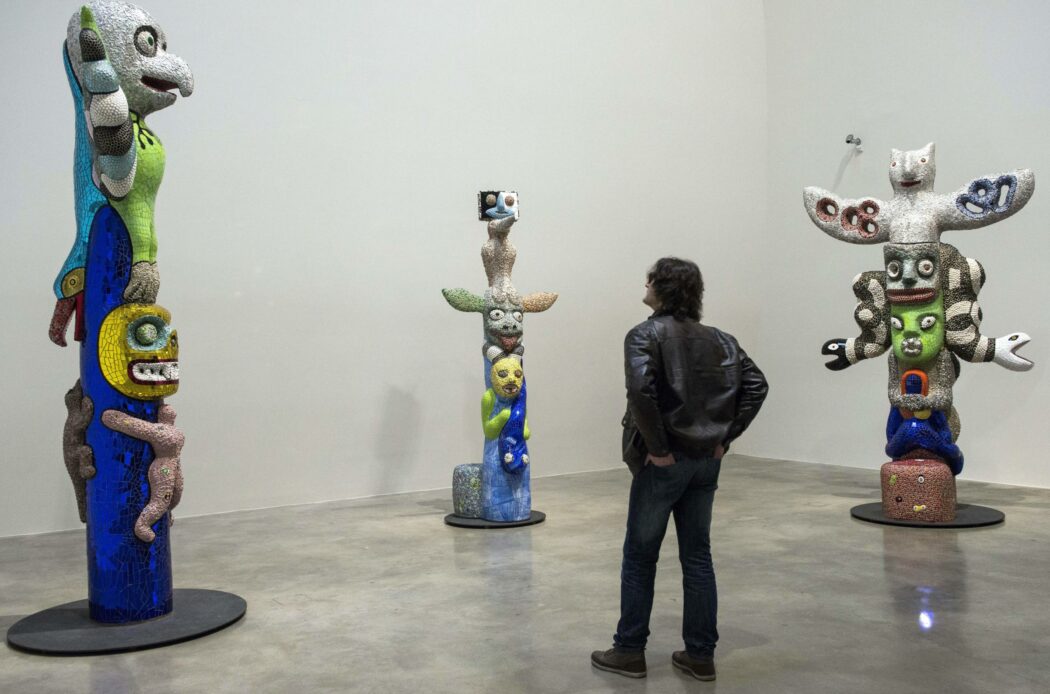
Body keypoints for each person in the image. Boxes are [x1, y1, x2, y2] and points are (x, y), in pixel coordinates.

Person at [591, 257, 768, 681]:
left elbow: (640, 390)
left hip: (664, 463)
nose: (645, 283)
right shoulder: (722, 340)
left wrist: (658, 448)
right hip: (705, 461)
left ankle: (629, 650)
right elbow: (757, 385)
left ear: (661, 287)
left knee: (639, 557)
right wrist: (724, 439)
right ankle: (700, 655)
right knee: (697, 556)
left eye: (649, 278)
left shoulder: (644, 334)